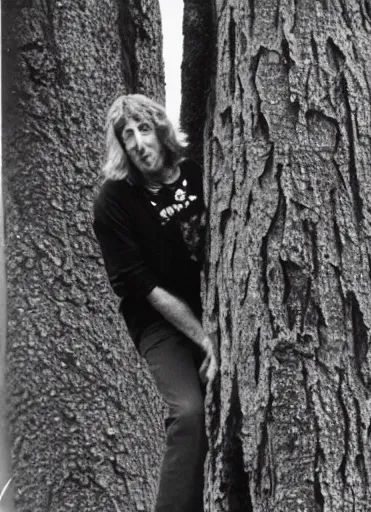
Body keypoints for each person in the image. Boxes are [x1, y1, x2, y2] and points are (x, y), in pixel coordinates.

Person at [92, 94, 216, 512]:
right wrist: (205, 340)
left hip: (214, 306)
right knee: (188, 413)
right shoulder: (114, 201)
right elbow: (138, 283)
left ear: (161, 130)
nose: (139, 142)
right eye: (128, 136)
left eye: (144, 129)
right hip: (158, 323)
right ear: (122, 147)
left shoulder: (199, 174)